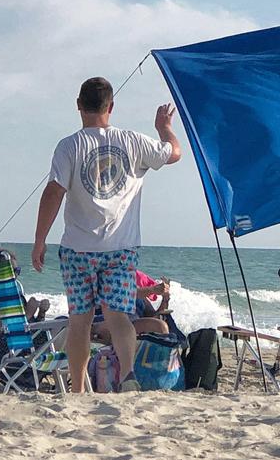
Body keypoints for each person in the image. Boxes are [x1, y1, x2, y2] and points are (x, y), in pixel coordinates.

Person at [32, 77, 182, 393]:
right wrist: (163, 127)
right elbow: (174, 152)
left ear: (78, 105)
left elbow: (53, 192)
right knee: (118, 318)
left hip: (77, 249)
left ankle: (77, 390)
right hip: (121, 248)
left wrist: (39, 240)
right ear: (111, 107)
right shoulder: (133, 141)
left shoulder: (69, 145)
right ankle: (127, 374)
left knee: (80, 322)